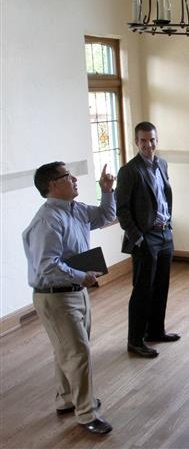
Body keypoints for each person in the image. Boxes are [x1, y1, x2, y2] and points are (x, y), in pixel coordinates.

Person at [22, 162, 116, 434]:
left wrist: (107, 191)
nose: (75, 179)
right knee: (78, 352)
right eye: (68, 176)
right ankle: (87, 413)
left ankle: (66, 399)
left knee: (68, 350)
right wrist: (80, 276)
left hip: (77, 292)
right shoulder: (47, 220)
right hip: (56, 297)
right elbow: (47, 266)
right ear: (52, 185)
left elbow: (104, 217)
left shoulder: (75, 209)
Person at [116, 121, 180, 358]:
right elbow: (121, 209)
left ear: (156, 140)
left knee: (161, 285)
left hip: (164, 233)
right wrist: (138, 238)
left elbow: (163, 197)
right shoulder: (129, 171)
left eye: (152, 140)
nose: (148, 145)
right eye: (143, 141)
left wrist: (169, 227)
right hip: (145, 237)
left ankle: (155, 330)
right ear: (136, 142)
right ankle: (135, 340)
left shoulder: (162, 164)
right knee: (143, 290)